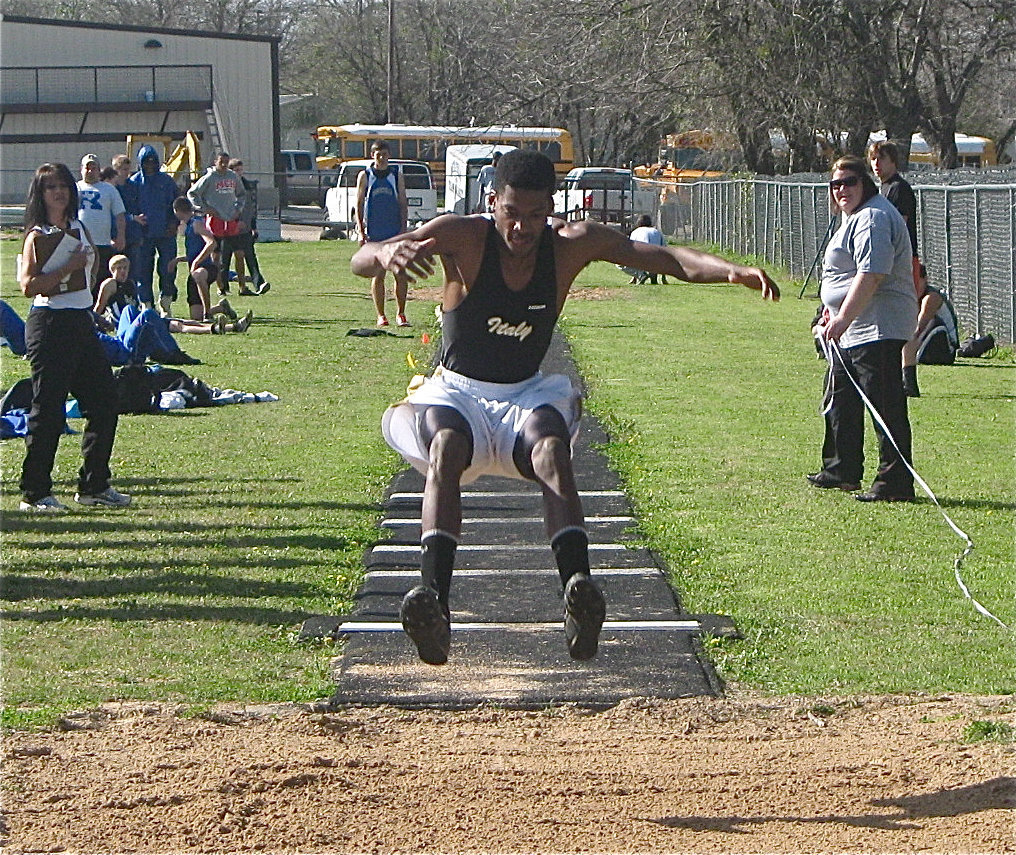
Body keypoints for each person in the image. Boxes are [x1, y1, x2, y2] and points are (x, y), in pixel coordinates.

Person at [351, 149, 779, 665]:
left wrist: (730, 271)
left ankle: (579, 593)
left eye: (536, 216)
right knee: (446, 447)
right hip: (458, 390)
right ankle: (434, 604)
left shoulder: (573, 245)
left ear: (551, 210)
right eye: (512, 213)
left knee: (554, 449)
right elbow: (363, 257)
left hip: (526, 392)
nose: (523, 228)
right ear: (493, 203)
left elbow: (665, 259)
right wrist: (384, 256)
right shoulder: (463, 235)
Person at [17, 162, 131, 512]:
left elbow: (90, 269)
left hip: (80, 322)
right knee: (48, 410)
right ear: (41, 193)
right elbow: (28, 286)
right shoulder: (37, 234)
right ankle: (35, 493)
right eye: (51, 187)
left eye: (64, 185)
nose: (59, 192)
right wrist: (66, 268)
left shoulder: (78, 226)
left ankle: (93, 486)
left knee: (104, 400)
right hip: (49, 325)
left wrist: (90, 304)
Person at [809, 155, 918, 503]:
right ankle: (841, 469)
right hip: (852, 329)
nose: (842, 189)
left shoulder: (873, 217)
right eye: (835, 184)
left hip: (877, 327)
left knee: (885, 407)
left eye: (850, 182)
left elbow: (872, 274)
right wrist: (831, 313)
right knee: (840, 399)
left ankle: (894, 483)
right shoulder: (853, 218)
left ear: (865, 184)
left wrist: (842, 318)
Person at [356, 141, 410, 327]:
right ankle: (381, 315)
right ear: (373, 156)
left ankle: (401, 314)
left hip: (394, 232)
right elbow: (359, 204)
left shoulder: (396, 175)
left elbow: (403, 201)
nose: (382, 158)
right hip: (374, 234)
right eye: (378, 154)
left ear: (389, 155)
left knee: (399, 273)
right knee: (378, 275)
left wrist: (404, 229)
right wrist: (361, 232)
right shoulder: (365, 176)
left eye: (385, 154)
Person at [170, 196, 240, 324]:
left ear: (177, 211)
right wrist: (179, 259)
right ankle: (221, 308)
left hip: (207, 268)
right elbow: (195, 251)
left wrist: (196, 262)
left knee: (198, 275)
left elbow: (211, 243)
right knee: (195, 317)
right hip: (195, 270)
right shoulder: (189, 226)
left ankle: (207, 314)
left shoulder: (196, 223)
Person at [186, 151, 247, 297]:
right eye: (221, 162)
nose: (224, 165)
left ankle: (242, 286)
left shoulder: (233, 176)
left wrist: (238, 209)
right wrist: (205, 209)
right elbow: (192, 193)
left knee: (239, 253)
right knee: (216, 256)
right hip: (215, 221)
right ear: (215, 162)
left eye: (226, 161)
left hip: (231, 219)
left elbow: (242, 194)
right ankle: (221, 287)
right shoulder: (209, 177)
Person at [129, 144, 179, 315]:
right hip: (143, 235)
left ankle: (166, 300)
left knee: (168, 268)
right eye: (146, 162)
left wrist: (174, 223)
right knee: (143, 269)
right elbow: (130, 208)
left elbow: (177, 203)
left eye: (152, 162)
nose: (149, 165)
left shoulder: (166, 181)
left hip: (166, 233)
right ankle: (146, 303)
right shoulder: (134, 182)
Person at [868, 140, 920, 290]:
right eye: (873, 159)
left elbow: (898, 227)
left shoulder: (898, 188)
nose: (877, 163)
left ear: (893, 161)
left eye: (882, 158)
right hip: (888, 260)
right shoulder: (882, 188)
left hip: (903, 261)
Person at [901, 264, 959, 396]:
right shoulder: (908, 298)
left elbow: (921, 325)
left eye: (917, 280)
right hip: (923, 345)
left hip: (944, 349)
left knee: (926, 326)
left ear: (925, 279)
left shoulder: (931, 297)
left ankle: (909, 381)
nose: (913, 285)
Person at [76, 153, 126, 294]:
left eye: (94, 168)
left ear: (99, 170)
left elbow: (120, 215)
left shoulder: (109, 189)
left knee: (100, 281)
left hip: (102, 243)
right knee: (81, 281)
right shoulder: (74, 188)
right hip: (79, 244)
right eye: (87, 168)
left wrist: (121, 236)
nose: (90, 171)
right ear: (81, 169)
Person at [219, 158, 270, 296]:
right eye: (236, 170)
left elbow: (251, 208)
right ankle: (223, 287)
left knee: (250, 256)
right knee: (225, 258)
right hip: (228, 228)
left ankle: (258, 283)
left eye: (241, 170)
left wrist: (253, 225)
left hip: (245, 228)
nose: (239, 173)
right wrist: (234, 221)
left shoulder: (247, 186)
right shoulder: (227, 187)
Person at [110, 154, 147, 292]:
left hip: (133, 236)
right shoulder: (111, 189)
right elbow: (113, 214)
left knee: (133, 272)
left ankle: (132, 299)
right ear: (116, 170)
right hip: (116, 236)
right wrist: (131, 217)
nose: (127, 172)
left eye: (128, 169)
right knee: (116, 271)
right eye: (123, 169)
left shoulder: (133, 186)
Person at [620, 214, 668, 284]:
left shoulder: (636, 232)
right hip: (657, 260)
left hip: (642, 259)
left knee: (619, 263)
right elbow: (665, 250)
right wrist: (664, 277)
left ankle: (640, 275)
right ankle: (652, 275)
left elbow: (632, 249)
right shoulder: (656, 231)